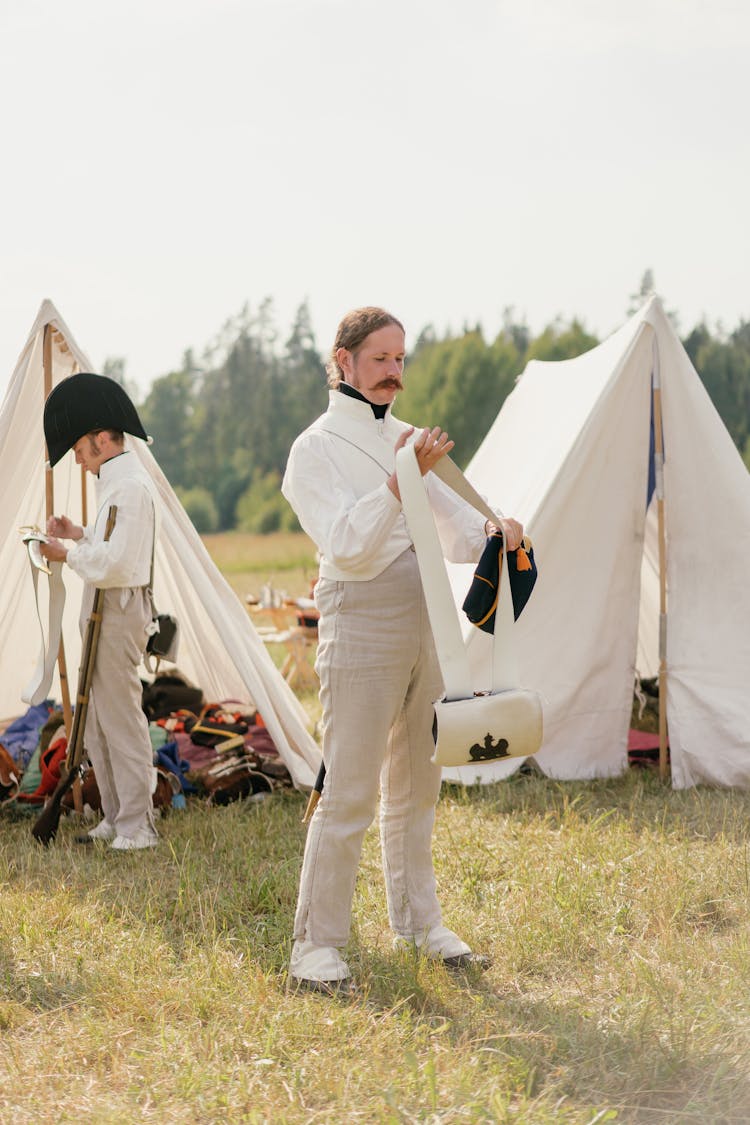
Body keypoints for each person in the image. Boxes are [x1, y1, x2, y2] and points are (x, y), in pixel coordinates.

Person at [282, 307, 524, 992]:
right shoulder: (315, 447)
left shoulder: (412, 439)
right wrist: (398, 481)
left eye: (400, 359)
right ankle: (316, 945)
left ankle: (419, 922)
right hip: (361, 613)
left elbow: (451, 532)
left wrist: (494, 532)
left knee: (419, 781)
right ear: (345, 361)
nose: (394, 372)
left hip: (429, 614)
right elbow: (350, 545)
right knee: (350, 786)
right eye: (380, 358)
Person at [40, 373, 159, 851]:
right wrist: (78, 535)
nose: (78, 459)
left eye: (83, 450)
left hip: (120, 604)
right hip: (106, 604)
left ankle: (138, 825)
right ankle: (115, 815)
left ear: (104, 438)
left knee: (121, 717)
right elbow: (110, 545)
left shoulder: (129, 486)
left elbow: (120, 564)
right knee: (100, 719)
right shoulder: (117, 483)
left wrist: (67, 554)